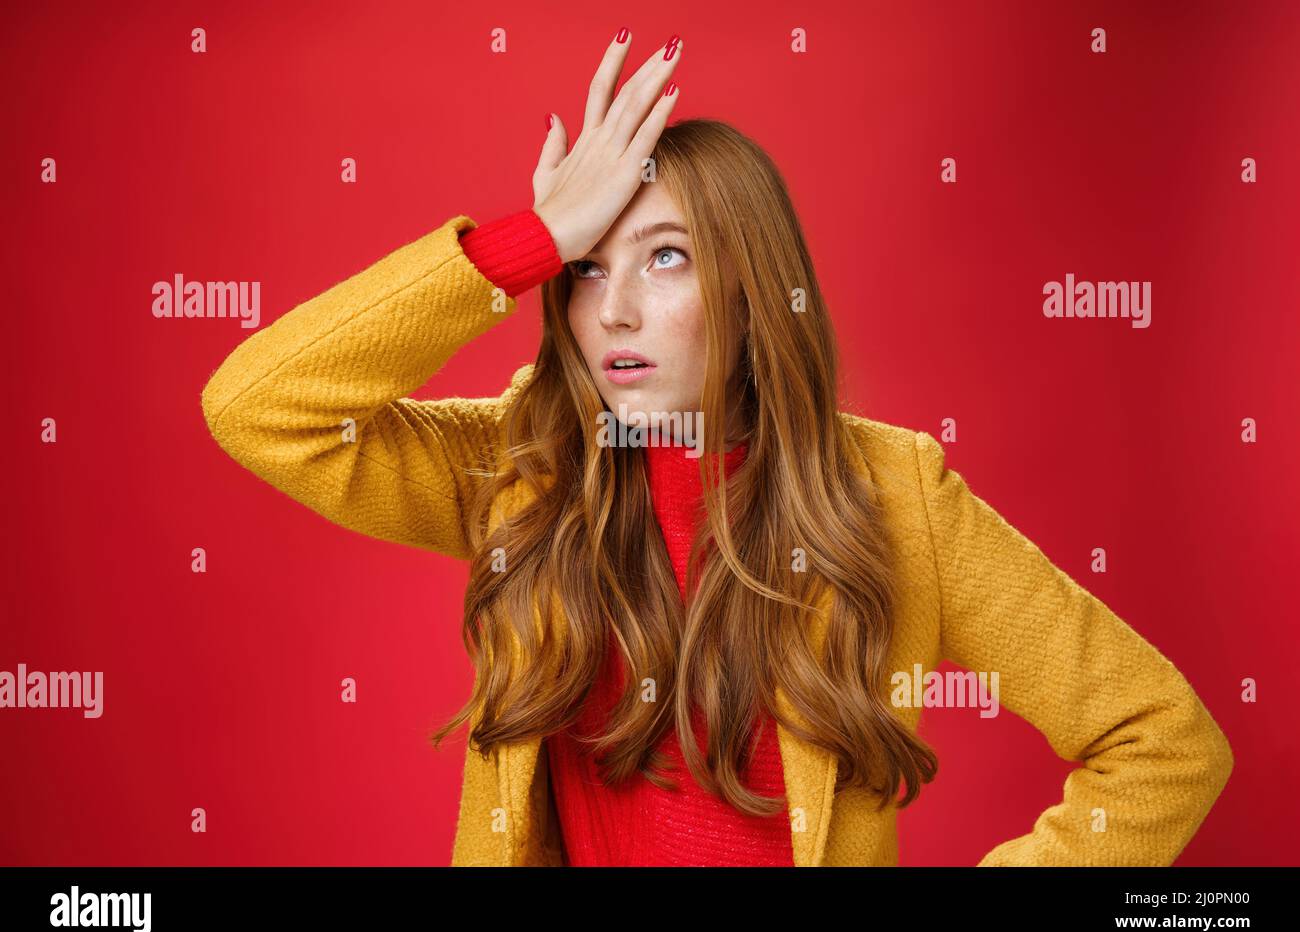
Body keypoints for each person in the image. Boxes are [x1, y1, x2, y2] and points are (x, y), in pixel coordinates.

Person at [200, 29, 1233, 866]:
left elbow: (1162, 740)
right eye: (589, 270)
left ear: (750, 287)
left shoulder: (892, 497)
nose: (616, 310)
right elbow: (260, 406)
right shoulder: (521, 475)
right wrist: (530, 239)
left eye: (664, 258)